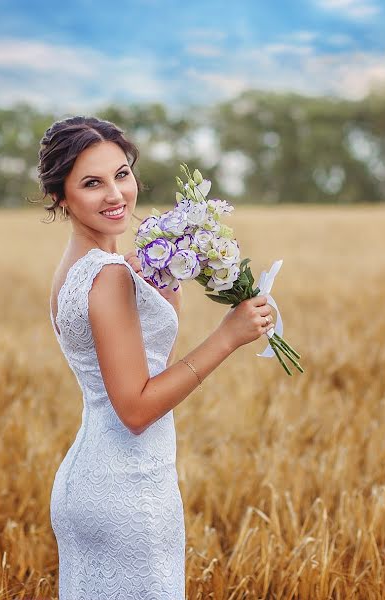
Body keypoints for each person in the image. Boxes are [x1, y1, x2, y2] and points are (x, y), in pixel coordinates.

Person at [37, 116, 274, 599]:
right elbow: (137, 408)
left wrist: (165, 280)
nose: (115, 194)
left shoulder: (83, 270)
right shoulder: (106, 278)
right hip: (126, 488)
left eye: (121, 174)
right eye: (91, 183)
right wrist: (227, 337)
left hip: (99, 478)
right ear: (61, 197)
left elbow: (142, 358)